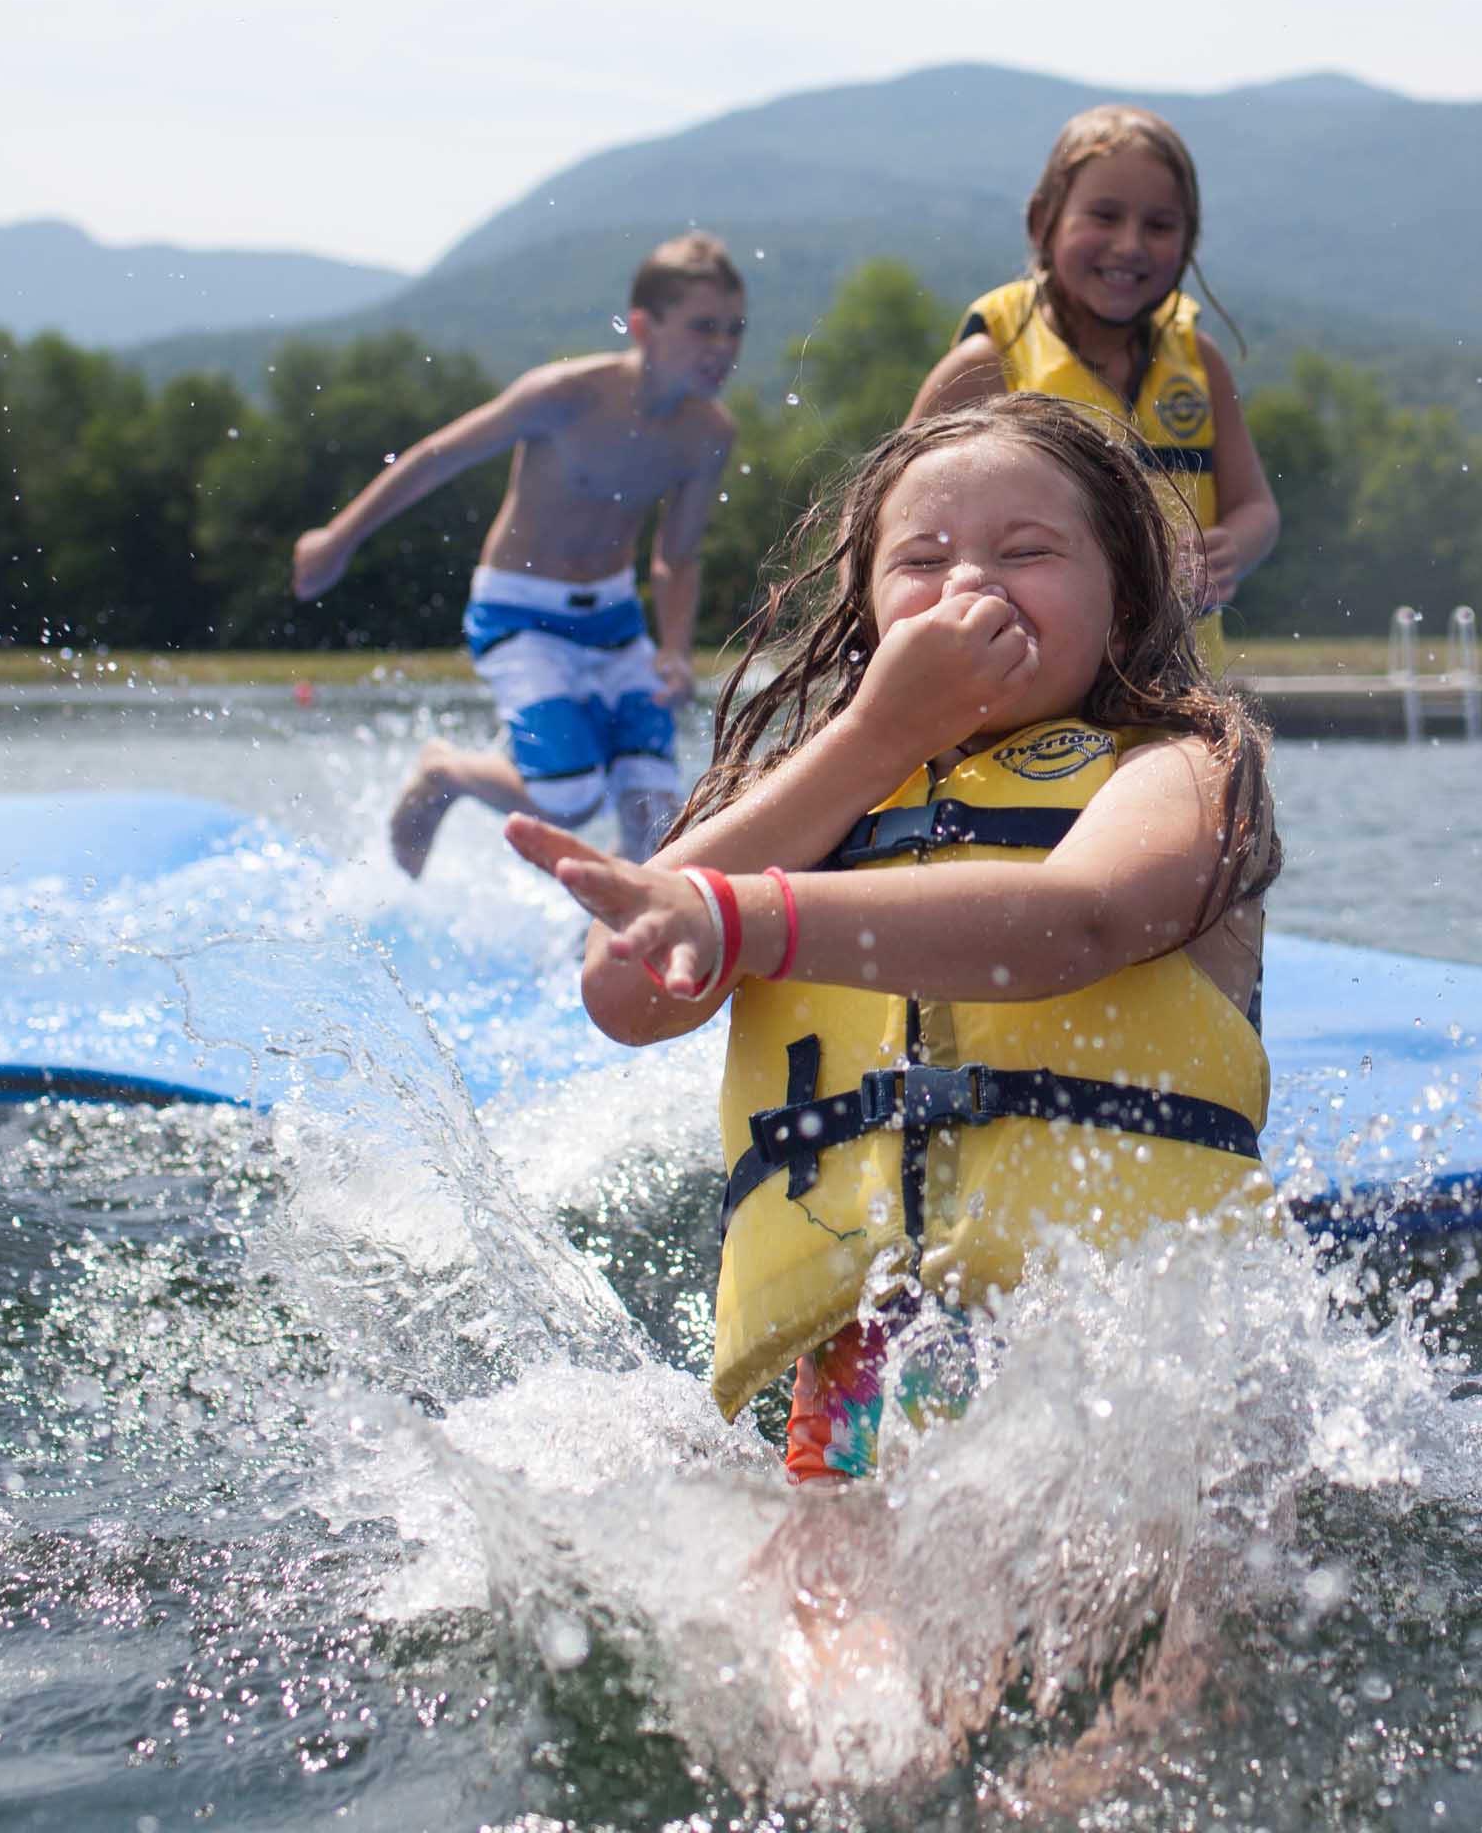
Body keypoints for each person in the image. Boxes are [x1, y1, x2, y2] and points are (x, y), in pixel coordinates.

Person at [505, 392, 1281, 1481]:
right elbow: (628, 990)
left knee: (1131, 1573)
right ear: (870, 617)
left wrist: (746, 918)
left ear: (1125, 599)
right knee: (830, 1583)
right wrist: (881, 734)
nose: (970, 585)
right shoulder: (815, 798)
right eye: (922, 560)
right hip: (868, 1361)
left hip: (1147, 1343)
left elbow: (1077, 921)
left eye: (1028, 551)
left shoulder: (1187, 768)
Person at [293, 234, 746, 874]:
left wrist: (674, 650)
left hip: (615, 622)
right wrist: (337, 538)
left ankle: (597, 931)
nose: (722, 347)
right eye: (704, 328)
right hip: (520, 612)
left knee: (655, 819)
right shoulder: (565, 395)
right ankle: (445, 769)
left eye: (734, 330)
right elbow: (436, 458)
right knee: (569, 800)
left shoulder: (708, 434)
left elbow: (678, 555)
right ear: (644, 326)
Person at [910, 106, 1278, 670]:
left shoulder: (1200, 362)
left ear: (1188, 241)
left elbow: (1256, 507)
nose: (1130, 244)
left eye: (1160, 226)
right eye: (1105, 216)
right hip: (1024, 686)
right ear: (1042, 223)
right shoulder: (986, 367)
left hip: (1181, 686)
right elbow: (888, 521)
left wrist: (1231, 551)